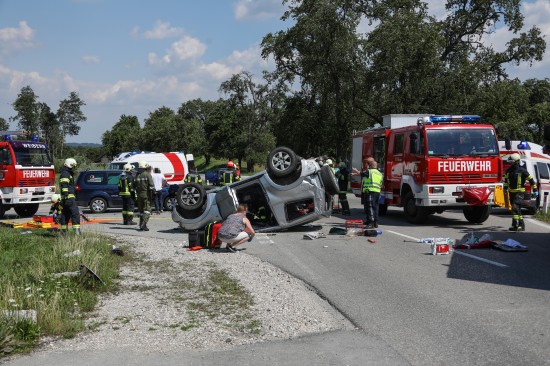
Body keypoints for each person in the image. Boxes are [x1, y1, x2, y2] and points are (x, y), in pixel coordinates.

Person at [504, 153, 538, 231]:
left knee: (515, 207)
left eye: (512, 161)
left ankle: (515, 225)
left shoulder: (522, 171)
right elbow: (506, 180)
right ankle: (521, 225)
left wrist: (535, 190)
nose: (511, 163)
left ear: (516, 161)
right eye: (510, 161)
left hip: (519, 192)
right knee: (517, 209)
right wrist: (505, 187)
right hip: (511, 192)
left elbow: (531, 181)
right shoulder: (508, 170)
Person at [352, 157, 383, 228]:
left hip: (370, 191)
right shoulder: (379, 173)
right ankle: (374, 222)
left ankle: (371, 223)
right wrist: (356, 174)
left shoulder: (370, 171)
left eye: (369, 164)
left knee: (370, 207)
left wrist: (356, 171)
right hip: (377, 192)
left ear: (371, 166)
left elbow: (362, 173)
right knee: (375, 207)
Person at [59, 158, 81, 235]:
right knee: (75, 214)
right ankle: (77, 232)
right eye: (73, 166)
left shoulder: (66, 173)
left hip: (65, 199)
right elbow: (64, 185)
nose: (74, 168)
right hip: (69, 198)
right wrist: (66, 195)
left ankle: (63, 232)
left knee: (65, 215)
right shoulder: (66, 173)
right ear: (70, 165)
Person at [135, 161, 155, 231]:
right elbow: (151, 186)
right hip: (146, 194)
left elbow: (135, 185)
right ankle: (144, 224)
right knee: (147, 210)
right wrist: (154, 193)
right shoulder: (147, 174)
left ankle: (141, 225)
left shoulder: (137, 175)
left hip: (139, 194)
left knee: (141, 211)